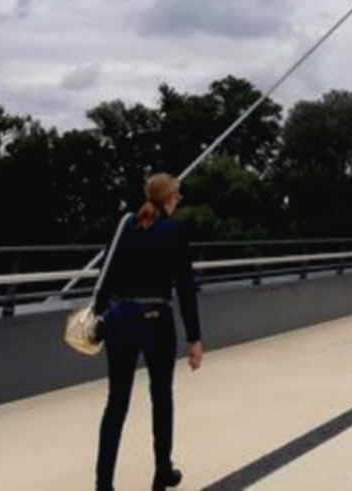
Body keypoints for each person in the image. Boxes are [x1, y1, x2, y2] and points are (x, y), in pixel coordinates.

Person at [94, 173, 204, 491]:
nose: (179, 199)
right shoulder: (174, 230)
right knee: (161, 399)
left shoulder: (125, 225)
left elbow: (106, 274)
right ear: (168, 196)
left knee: (116, 404)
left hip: (119, 319)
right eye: (177, 194)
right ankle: (161, 476)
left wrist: (99, 316)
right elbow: (185, 287)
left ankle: (103, 485)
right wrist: (194, 338)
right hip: (156, 321)